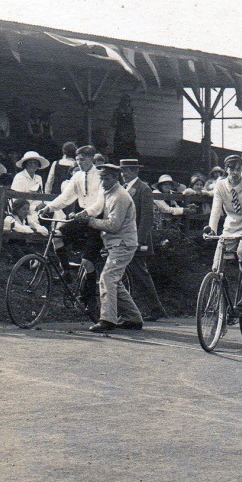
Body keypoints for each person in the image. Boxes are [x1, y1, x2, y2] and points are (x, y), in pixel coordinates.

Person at [74, 163, 143, 332]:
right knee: (114, 281)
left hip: (123, 243)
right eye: (101, 178)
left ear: (115, 177)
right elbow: (98, 207)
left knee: (107, 278)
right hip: (116, 243)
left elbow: (113, 225)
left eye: (106, 178)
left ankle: (107, 319)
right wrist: (84, 213)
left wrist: (89, 221)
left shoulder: (120, 196)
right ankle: (133, 318)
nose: (103, 182)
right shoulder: (108, 192)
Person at [38, 145, 105, 293]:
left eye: (82, 160)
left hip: (97, 220)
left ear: (91, 159)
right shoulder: (77, 176)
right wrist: (49, 207)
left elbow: (100, 204)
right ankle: (66, 272)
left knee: (87, 262)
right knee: (56, 236)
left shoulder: (101, 176)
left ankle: (90, 296)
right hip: (81, 217)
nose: (79, 163)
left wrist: (86, 212)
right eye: (77, 160)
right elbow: (66, 197)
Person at [206, 154, 242, 307]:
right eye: (231, 169)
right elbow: (216, 210)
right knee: (217, 263)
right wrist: (212, 229)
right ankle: (221, 302)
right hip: (230, 225)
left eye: (238, 169)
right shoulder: (220, 186)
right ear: (226, 169)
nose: (235, 173)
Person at [121, 158, 167, 322]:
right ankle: (143, 309)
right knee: (134, 274)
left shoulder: (143, 189)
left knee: (140, 273)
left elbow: (147, 218)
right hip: (125, 237)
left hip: (138, 239)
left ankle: (155, 309)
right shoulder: (125, 188)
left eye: (127, 170)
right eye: (122, 170)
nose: (123, 174)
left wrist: (139, 241)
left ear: (135, 171)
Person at [10, 150, 50, 225]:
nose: (33, 165)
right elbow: (17, 200)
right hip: (23, 209)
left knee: (55, 210)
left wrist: (43, 204)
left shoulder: (38, 178)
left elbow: (41, 195)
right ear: (25, 164)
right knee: (35, 221)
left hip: (38, 207)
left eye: (35, 163)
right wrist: (34, 207)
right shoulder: (19, 177)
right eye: (30, 163)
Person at [110, 94, 138, 160]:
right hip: (120, 134)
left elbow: (133, 123)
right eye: (125, 101)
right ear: (122, 102)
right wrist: (121, 128)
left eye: (128, 101)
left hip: (129, 135)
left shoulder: (131, 111)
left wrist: (132, 132)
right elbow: (113, 123)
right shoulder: (117, 111)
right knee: (119, 150)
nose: (126, 103)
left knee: (130, 150)